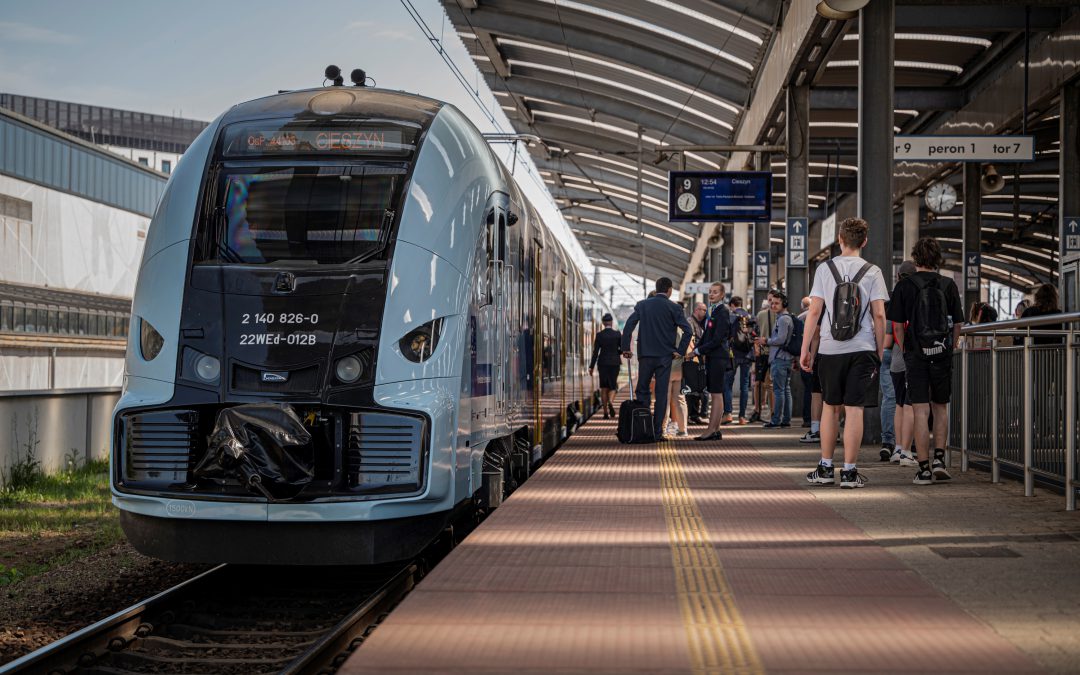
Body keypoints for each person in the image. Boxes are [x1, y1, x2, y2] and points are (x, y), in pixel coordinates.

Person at [801, 217, 888, 489]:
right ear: (864, 242)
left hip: (829, 349)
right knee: (854, 410)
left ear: (839, 239)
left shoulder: (825, 269)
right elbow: (880, 314)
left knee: (830, 407)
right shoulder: (873, 271)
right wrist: (879, 348)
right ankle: (849, 472)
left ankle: (826, 467)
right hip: (862, 349)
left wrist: (806, 350)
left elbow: (814, 311)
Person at [887, 237, 965, 486]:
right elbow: (958, 324)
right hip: (941, 353)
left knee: (920, 409)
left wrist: (907, 348)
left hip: (916, 355)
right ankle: (940, 459)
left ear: (916, 258)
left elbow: (897, 326)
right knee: (940, 406)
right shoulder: (949, 285)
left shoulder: (904, 287)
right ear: (937, 259)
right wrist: (949, 346)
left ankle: (923, 469)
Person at [621, 277, 693, 440]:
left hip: (645, 356)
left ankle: (643, 426)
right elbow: (688, 331)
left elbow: (628, 326)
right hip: (665, 357)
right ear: (669, 290)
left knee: (642, 390)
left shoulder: (643, 305)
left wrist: (625, 348)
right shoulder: (673, 308)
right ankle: (657, 432)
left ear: (657, 287)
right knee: (661, 394)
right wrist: (680, 351)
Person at [692, 282, 732, 441]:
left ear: (722, 295)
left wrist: (698, 350)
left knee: (716, 393)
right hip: (714, 356)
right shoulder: (713, 311)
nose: (711, 294)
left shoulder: (722, 311)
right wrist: (696, 348)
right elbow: (707, 335)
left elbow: (717, 338)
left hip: (718, 357)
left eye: (715, 292)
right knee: (717, 393)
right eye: (710, 292)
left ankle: (711, 429)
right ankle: (715, 429)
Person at [888, 261, 918, 466]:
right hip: (911, 355)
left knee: (899, 404)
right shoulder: (917, 294)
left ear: (898, 276)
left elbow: (894, 327)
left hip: (896, 358)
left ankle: (898, 448)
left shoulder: (895, 296)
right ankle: (907, 451)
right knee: (910, 405)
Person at [757, 289, 794, 428]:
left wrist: (765, 340)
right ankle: (785, 419)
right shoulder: (784, 318)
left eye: (776, 303)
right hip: (785, 358)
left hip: (780, 358)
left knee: (779, 390)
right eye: (772, 303)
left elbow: (781, 339)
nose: (773, 306)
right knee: (785, 389)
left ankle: (776, 420)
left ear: (784, 304)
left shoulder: (783, 319)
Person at [724, 296, 753, 425]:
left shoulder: (731, 316)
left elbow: (726, 335)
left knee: (728, 383)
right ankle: (742, 417)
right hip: (747, 354)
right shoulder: (751, 317)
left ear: (732, 305)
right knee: (745, 386)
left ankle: (729, 413)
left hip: (733, 355)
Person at [589, 313, 622, 419]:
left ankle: (605, 413)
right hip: (614, 363)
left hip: (602, 363)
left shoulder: (599, 335)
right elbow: (621, 349)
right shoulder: (617, 334)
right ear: (611, 322)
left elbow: (595, 352)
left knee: (604, 388)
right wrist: (617, 352)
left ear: (603, 323)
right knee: (613, 386)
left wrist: (591, 366)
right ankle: (611, 402)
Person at [663, 334, 692, 437]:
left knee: (665, 399)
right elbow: (688, 350)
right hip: (680, 368)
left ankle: (662, 429)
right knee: (680, 399)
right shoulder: (682, 328)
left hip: (666, 367)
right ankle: (683, 429)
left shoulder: (664, 326)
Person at [750, 298, 774, 422]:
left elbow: (754, 333)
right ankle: (773, 413)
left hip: (761, 352)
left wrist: (756, 348)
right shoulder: (780, 315)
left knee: (758, 383)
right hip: (774, 352)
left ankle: (758, 410)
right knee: (770, 384)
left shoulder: (760, 315)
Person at [685, 302, 710, 424]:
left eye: (706, 310)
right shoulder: (690, 321)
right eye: (703, 310)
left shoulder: (701, 323)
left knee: (699, 387)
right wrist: (696, 352)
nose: (705, 312)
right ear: (696, 310)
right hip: (693, 358)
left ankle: (696, 414)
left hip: (699, 357)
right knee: (693, 388)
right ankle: (693, 414)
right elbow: (691, 340)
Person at [797, 297, 814, 428]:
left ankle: (808, 419)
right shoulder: (819, 315)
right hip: (817, 356)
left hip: (805, 356)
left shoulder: (800, 317)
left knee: (808, 390)